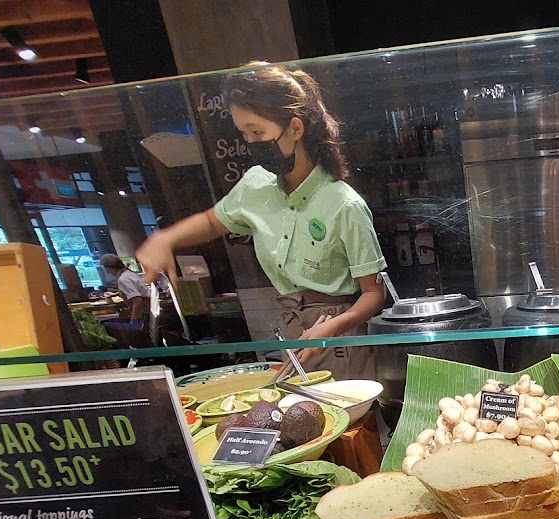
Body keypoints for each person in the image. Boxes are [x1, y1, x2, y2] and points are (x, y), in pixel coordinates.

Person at [134, 62, 386, 377]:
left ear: (295, 128)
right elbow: (214, 222)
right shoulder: (256, 184)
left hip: (339, 336)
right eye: (244, 134)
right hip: (293, 326)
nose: (251, 144)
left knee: (348, 422)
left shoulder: (344, 204)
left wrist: (333, 327)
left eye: (258, 132)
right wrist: (165, 239)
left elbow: (375, 294)